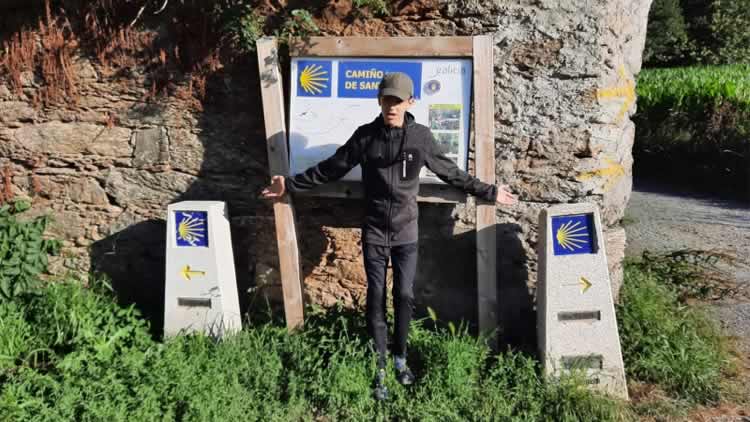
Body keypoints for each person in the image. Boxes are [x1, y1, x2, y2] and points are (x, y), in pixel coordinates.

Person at [262, 72, 517, 400]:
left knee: (405, 296)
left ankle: (400, 355)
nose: (391, 106)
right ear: (380, 101)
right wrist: (290, 184)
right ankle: (380, 361)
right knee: (377, 295)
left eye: (397, 100)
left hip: (406, 232)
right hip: (374, 231)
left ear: (410, 102)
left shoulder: (421, 138)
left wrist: (490, 191)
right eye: (386, 99)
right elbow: (332, 167)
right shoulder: (366, 137)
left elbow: (450, 172)